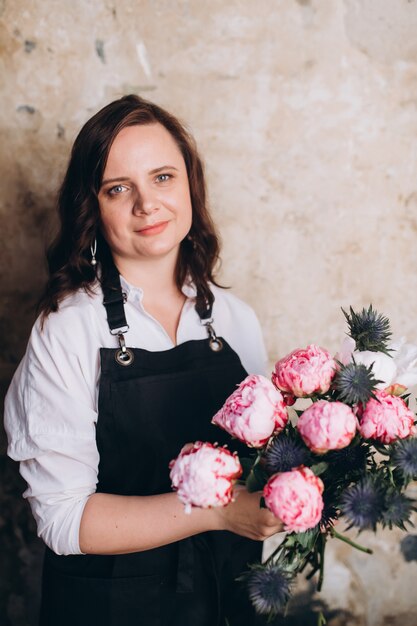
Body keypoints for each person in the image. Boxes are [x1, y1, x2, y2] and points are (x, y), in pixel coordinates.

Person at [4, 94, 283, 626]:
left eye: (162, 177)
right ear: (92, 208)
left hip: (228, 602)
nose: (147, 204)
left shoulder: (236, 319)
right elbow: (66, 521)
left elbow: (258, 466)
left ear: (190, 186)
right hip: (112, 610)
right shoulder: (67, 329)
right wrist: (217, 512)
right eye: (118, 188)